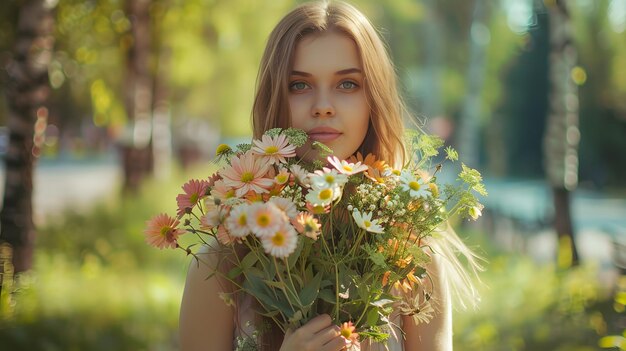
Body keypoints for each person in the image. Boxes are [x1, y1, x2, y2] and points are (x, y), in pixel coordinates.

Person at [179, 1, 480, 350]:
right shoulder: (221, 264)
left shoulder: (411, 258)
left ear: (374, 99)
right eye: (299, 86)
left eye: (347, 84)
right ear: (274, 97)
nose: (323, 106)